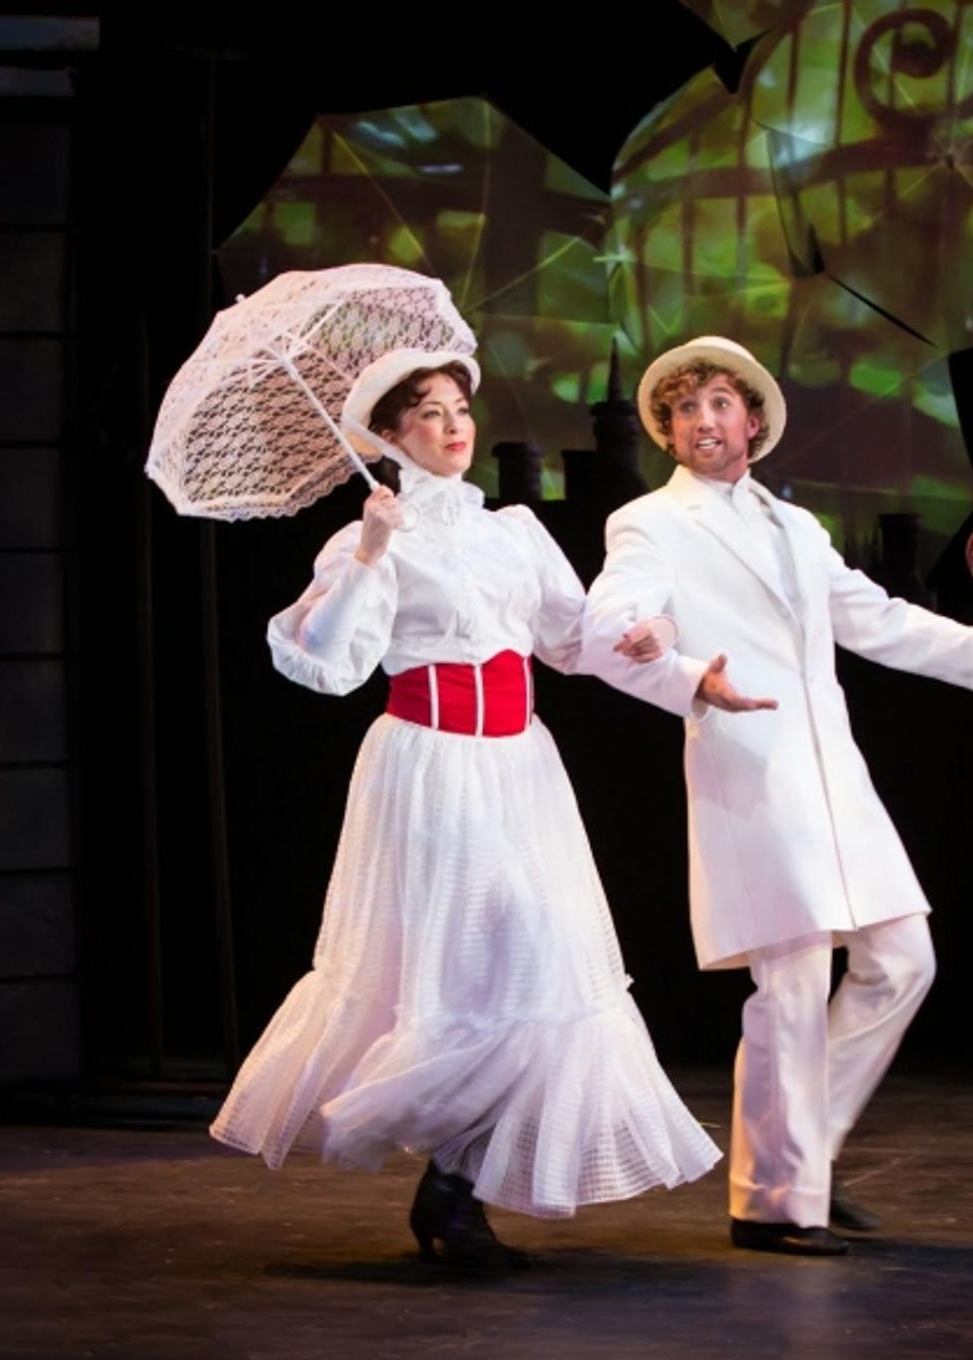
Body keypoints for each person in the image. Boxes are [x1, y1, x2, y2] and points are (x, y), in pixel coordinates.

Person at [210, 348, 719, 1268]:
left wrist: (664, 644)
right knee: (482, 964)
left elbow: (576, 640)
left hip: (520, 767)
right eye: (430, 414)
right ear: (389, 436)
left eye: (459, 409)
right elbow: (324, 661)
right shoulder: (370, 537)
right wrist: (371, 553)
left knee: (543, 963)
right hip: (432, 765)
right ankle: (450, 1185)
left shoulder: (513, 531)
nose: (453, 426)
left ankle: (453, 1189)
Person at [581, 336, 973, 1257]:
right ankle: (774, 1202)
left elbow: (873, 618)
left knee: (904, 960)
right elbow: (613, 618)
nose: (701, 421)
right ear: (668, 434)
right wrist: (671, 661)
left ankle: (802, 1159)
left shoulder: (796, 526)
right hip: (752, 768)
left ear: (752, 420)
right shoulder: (650, 521)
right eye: (683, 410)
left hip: (834, 774)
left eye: (718, 403)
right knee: (792, 983)